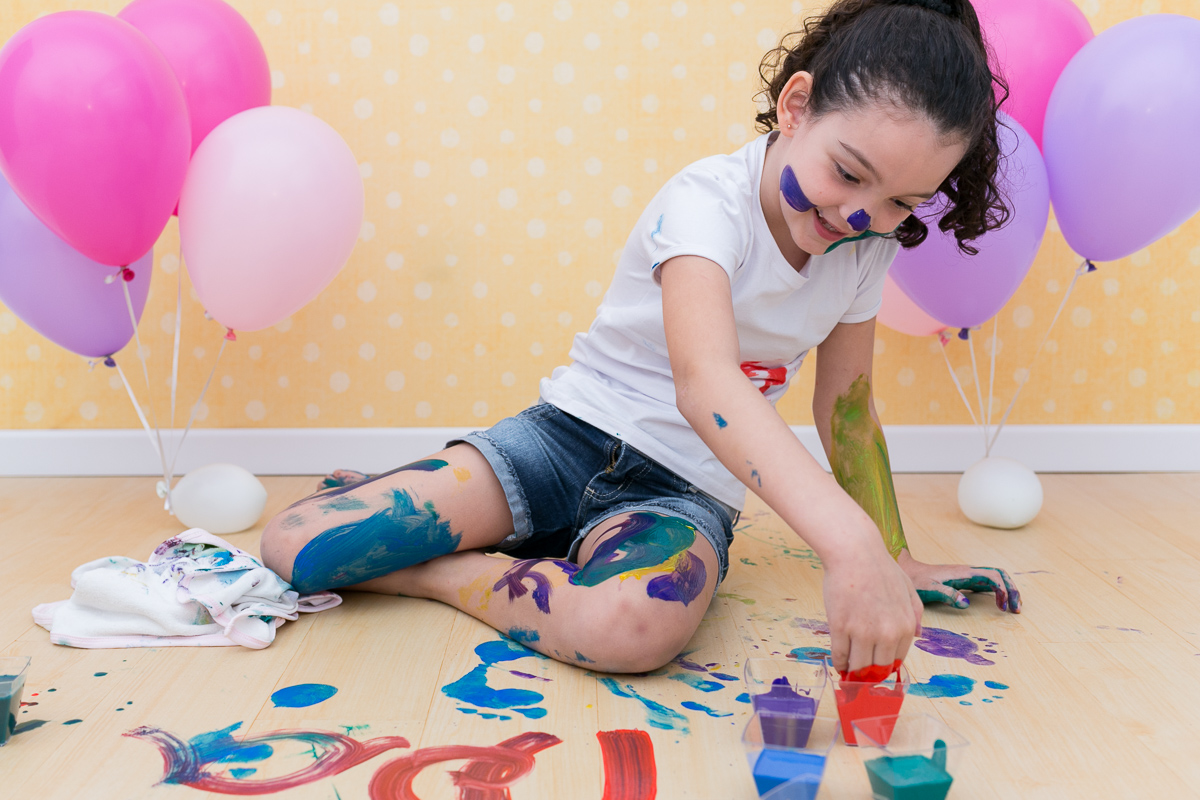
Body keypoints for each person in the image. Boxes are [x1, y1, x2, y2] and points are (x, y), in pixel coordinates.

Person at [260, 0, 1022, 676]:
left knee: (631, 631)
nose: (860, 215)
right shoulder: (705, 204)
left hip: (681, 494)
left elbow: (847, 412)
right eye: (848, 173)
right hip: (561, 444)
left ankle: (430, 573)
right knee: (300, 548)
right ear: (797, 107)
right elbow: (707, 383)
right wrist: (847, 543)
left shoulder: (865, 251)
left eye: (902, 201)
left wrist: (892, 555)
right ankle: (470, 540)